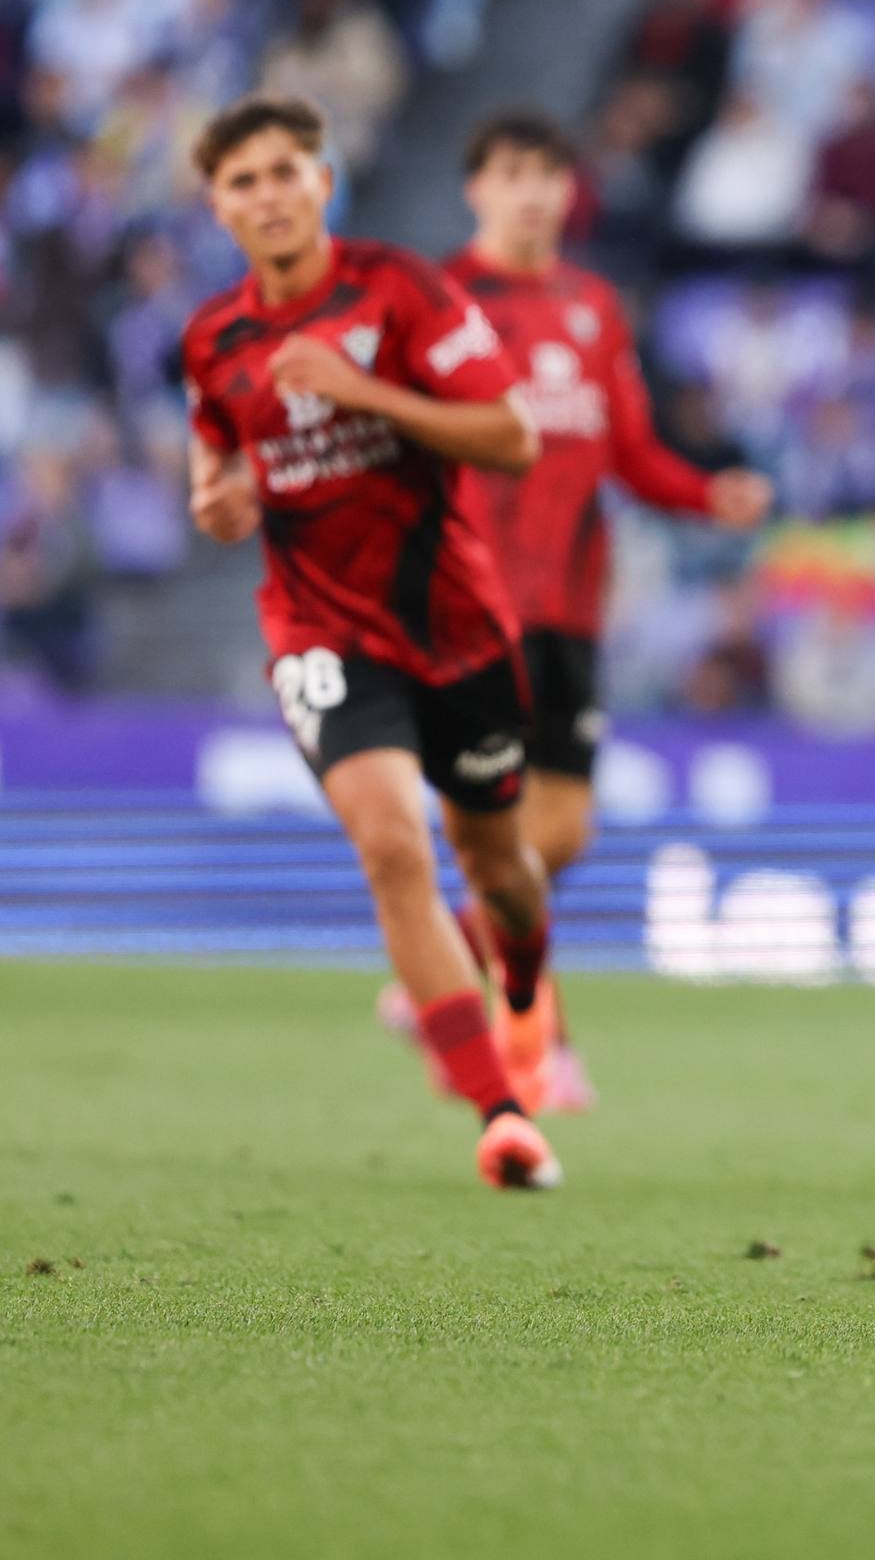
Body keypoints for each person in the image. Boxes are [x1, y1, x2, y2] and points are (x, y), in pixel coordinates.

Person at [179, 95, 561, 1192]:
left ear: (323, 181)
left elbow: (511, 435)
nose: (268, 194)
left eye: (286, 170)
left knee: (503, 873)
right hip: (319, 630)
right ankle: (500, 1113)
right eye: (243, 179)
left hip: (457, 626)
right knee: (392, 845)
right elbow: (216, 457)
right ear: (218, 205)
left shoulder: (399, 290)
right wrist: (217, 498)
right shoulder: (214, 339)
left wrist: (362, 391)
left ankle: (523, 984)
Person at [396, 110, 774, 1103]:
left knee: (561, 836)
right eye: (511, 173)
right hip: (469, 603)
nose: (531, 192)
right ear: (476, 188)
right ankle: (534, 1050)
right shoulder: (438, 300)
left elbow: (629, 451)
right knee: (502, 831)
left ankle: (447, 965)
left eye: (548, 175)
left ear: (568, 193)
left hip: (569, 603)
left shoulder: (592, 306)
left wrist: (707, 493)